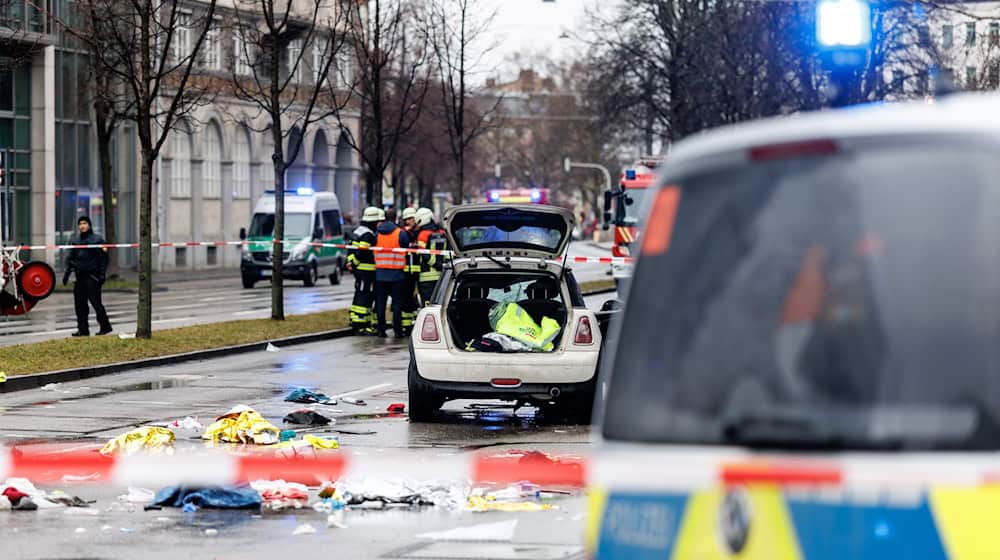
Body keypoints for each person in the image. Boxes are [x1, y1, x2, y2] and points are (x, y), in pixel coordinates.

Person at [63, 215, 112, 337]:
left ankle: (105, 326)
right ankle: (83, 329)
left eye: (84, 223)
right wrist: (67, 275)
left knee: (96, 303)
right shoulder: (76, 240)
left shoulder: (97, 240)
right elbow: (71, 259)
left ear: (89, 225)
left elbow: (103, 259)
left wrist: (102, 274)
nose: (82, 226)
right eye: (80, 224)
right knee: (80, 305)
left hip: (92, 277)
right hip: (79, 277)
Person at [374, 210, 411, 338]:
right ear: (396, 218)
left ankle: (381, 330)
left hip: (380, 274)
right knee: (397, 305)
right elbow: (406, 248)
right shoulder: (400, 233)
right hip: (397, 275)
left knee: (380, 304)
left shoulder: (377, 233)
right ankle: (397, 330)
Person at [347, 207, 381, 335]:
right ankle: (360, 324)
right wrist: (355, 263)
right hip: (366, 271)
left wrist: (350, 263)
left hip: (359, 271)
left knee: (359, 294)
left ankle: (356, 320)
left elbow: (351, 249)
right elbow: (362, 252)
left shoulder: (358, 231)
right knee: (364, 296)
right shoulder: (368, 235)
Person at [414, 207, 448, 306]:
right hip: (442, 275)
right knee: (440, 303)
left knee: (428, 304)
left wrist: (436, 264)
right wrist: (442, 266)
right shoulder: (442, 233)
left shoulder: (423, 234)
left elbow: (423, 254)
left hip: (426, 276)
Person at [399, 207, 420, 336]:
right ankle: (406, 325)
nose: (409, 222)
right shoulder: (403, 233)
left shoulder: (419, 232)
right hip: (406, 271)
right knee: (407, 298)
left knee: (415, 299)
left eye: (411, 219)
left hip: (418, 271)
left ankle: (413, 323)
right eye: (406, 219)